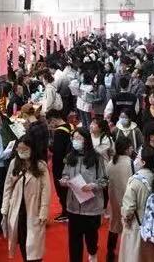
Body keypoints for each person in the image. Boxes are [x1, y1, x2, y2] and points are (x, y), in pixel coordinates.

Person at [59, 127, 107, 262]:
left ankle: (92, 252)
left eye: (79, 138)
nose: (76, 141)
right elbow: (65, 174)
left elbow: (104, 180)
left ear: (86, 140)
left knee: (91, 236)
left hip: (91, 205)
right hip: (73, 205)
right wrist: (64, 180)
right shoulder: (70, 157)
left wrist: (92, 186)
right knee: (74, 239)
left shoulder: (96, 158)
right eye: (74, 138)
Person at [1, 135, 51, 262]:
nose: (22, 152)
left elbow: (46, 190)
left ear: (32, 149)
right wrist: (4, 208)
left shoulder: (40, 165)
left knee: (34, 245)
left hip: (34, 209)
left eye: (25, 149)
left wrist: (44, 211)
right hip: (18, 209)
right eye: (20, 149)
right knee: (23, 241)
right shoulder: (14, 163)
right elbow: (7, 187)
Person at [120, 145, 154, 262]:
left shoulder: (135, 181)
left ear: (143, 162)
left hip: (139, 230)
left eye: (138, 157)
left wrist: (125, 220)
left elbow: (128, 209)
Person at [106, 137, 134, 262]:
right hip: (128, 200)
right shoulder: (131, 163)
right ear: (127, 149)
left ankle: (110, 252)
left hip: (113, 200)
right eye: (131, 147)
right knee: (129, 226)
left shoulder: (111, 163)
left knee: (114, 225)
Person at [47, 109, 72, 222]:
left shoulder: (59, 132)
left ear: (53, 120)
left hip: (60, 166)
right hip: (69, 164)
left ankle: (66, 212)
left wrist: (50, 147)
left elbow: (57, 152)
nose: (50, 125)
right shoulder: (69, 126)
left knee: (61, 190)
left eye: (50, 122)